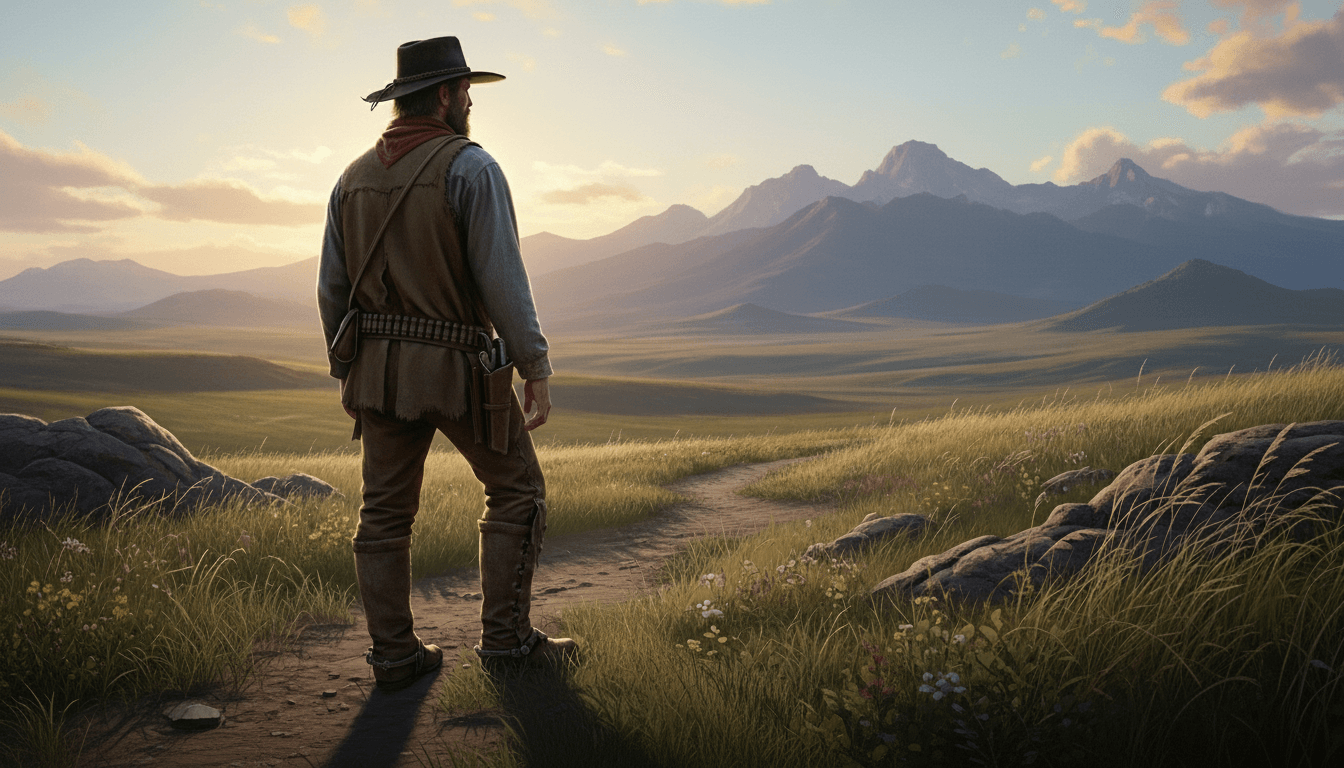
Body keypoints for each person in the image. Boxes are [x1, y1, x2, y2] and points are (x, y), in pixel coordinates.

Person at [317, 36, 575, 691]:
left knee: (383, 513)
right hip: (459, 369)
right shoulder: (472, 168)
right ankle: (507, 643)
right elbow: (502, 281)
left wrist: (347, 371)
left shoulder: (350, 178)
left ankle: (395, 658)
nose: (468, 101)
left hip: (377, 370)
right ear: (441, 96)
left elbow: (331, 289)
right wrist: (534, 366)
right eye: (463, 90)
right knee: (518, 491)